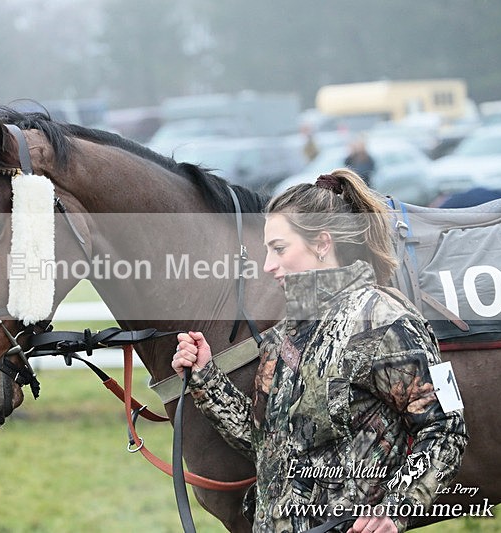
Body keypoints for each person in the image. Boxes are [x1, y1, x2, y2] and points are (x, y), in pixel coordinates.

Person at [172, 168, 467, 533]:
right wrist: (206, 378)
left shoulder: (386, 321)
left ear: (322, 243)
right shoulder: (284, 335)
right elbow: (266, 446)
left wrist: (396, 509)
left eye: (279, 249)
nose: (268, 265)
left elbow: (447, 431)